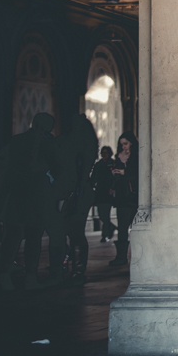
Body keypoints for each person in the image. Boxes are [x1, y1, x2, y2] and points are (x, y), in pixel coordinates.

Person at [0, 112, 62, 290]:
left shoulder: (16, 141)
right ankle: (30, 276)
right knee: (33, 237)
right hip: (37, 194)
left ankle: (4, 274)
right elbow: (57, 168)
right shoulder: (49, 144)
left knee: (12, 236)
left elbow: (0, 163)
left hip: (16, 193)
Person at [55, 115, 99, 285]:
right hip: (80, 192)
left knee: (69, 231)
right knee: (75, 232)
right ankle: (77, 270)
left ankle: (73, 268)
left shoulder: (71, 145)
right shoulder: (88, 145)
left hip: (73, 191)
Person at [108, 131, 139, 266]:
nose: (124, 147)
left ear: (132, 143)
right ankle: (121, 257)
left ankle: (139, 256)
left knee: (137, 228)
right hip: (122, 196)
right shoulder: (119, 157)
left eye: (126, 144)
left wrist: (125, 172)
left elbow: (140, 173)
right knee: (122, 227)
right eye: (122, 145)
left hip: (134, 196)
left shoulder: (137, 156)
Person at [91, 146, 116, 241]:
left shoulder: (112, 163)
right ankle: (111, 227)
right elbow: (94, 177)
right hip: (100, 191)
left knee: (106, 214)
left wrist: (113, 188)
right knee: (101, 214)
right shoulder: (98, 164)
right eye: (103, 153)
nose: (104, 155)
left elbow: (114, 177)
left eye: (106, 152)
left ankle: (104, 234)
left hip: (108, 191)